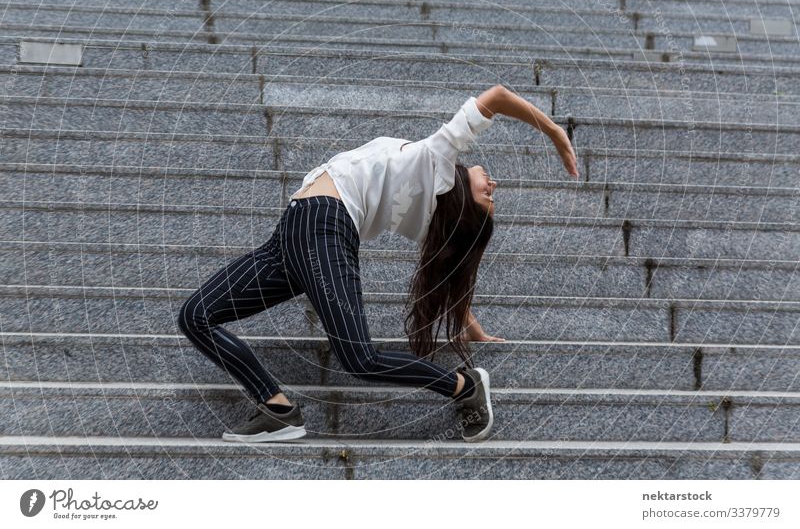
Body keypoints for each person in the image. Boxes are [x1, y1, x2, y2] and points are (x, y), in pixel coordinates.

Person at [177, 85, 578, 444]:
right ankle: (277, 409)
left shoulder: (436, 157)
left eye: (487, 198)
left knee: (359, 359)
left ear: (464, 211)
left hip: (324, 228)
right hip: (292, 234)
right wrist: (554, 130)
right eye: (492, 194)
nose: (493, 187)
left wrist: (556, 135)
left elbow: (496, 97)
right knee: (195, 316)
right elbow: (452, 274)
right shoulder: (430, 178)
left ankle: (464, 386)